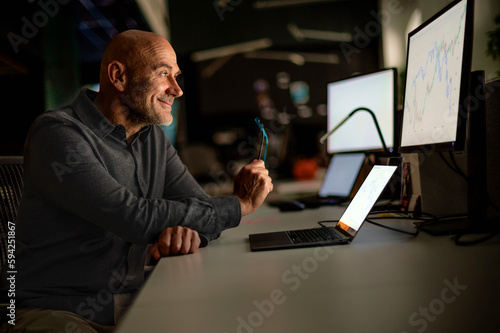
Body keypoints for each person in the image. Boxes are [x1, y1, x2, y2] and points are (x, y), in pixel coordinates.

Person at [5, 29, 273, 332]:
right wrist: (239, 205)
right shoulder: (57, 133)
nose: (177, 89)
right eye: (163, 74)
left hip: (132, 302)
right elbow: (132, 217)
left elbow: (202, 207)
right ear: (119, 76)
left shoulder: (151, 139)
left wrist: (190, 233)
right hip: (56, 312)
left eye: (176, 76)